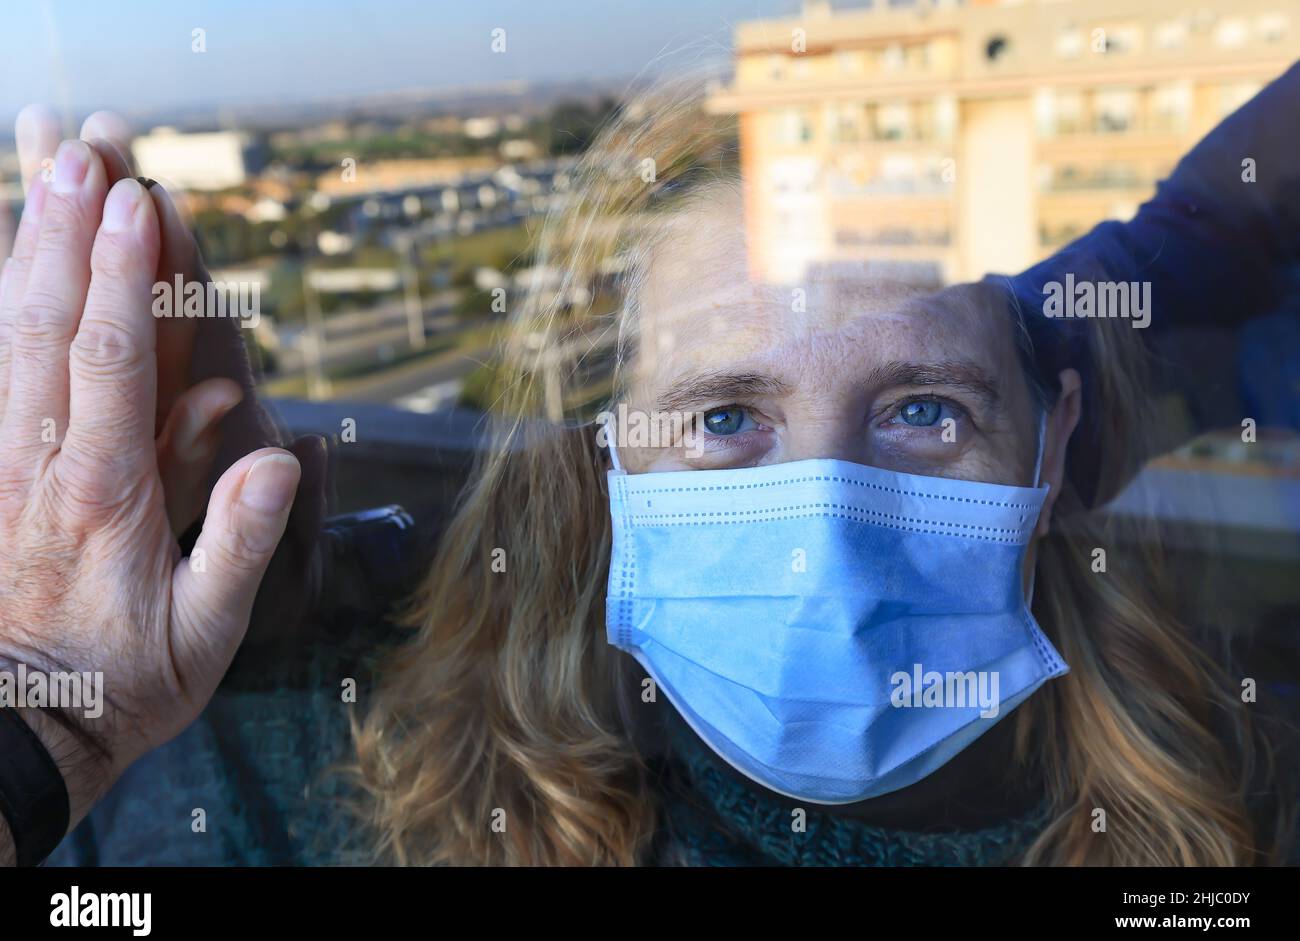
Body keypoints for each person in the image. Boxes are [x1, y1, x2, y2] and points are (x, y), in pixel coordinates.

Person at [4, 63, 1299, 867]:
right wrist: (66, 725)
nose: (825, 551)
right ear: (608, 459)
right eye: (726, 418)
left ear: (1053, 445)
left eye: (921, 413)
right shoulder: (317, 780)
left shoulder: (1240, 814)